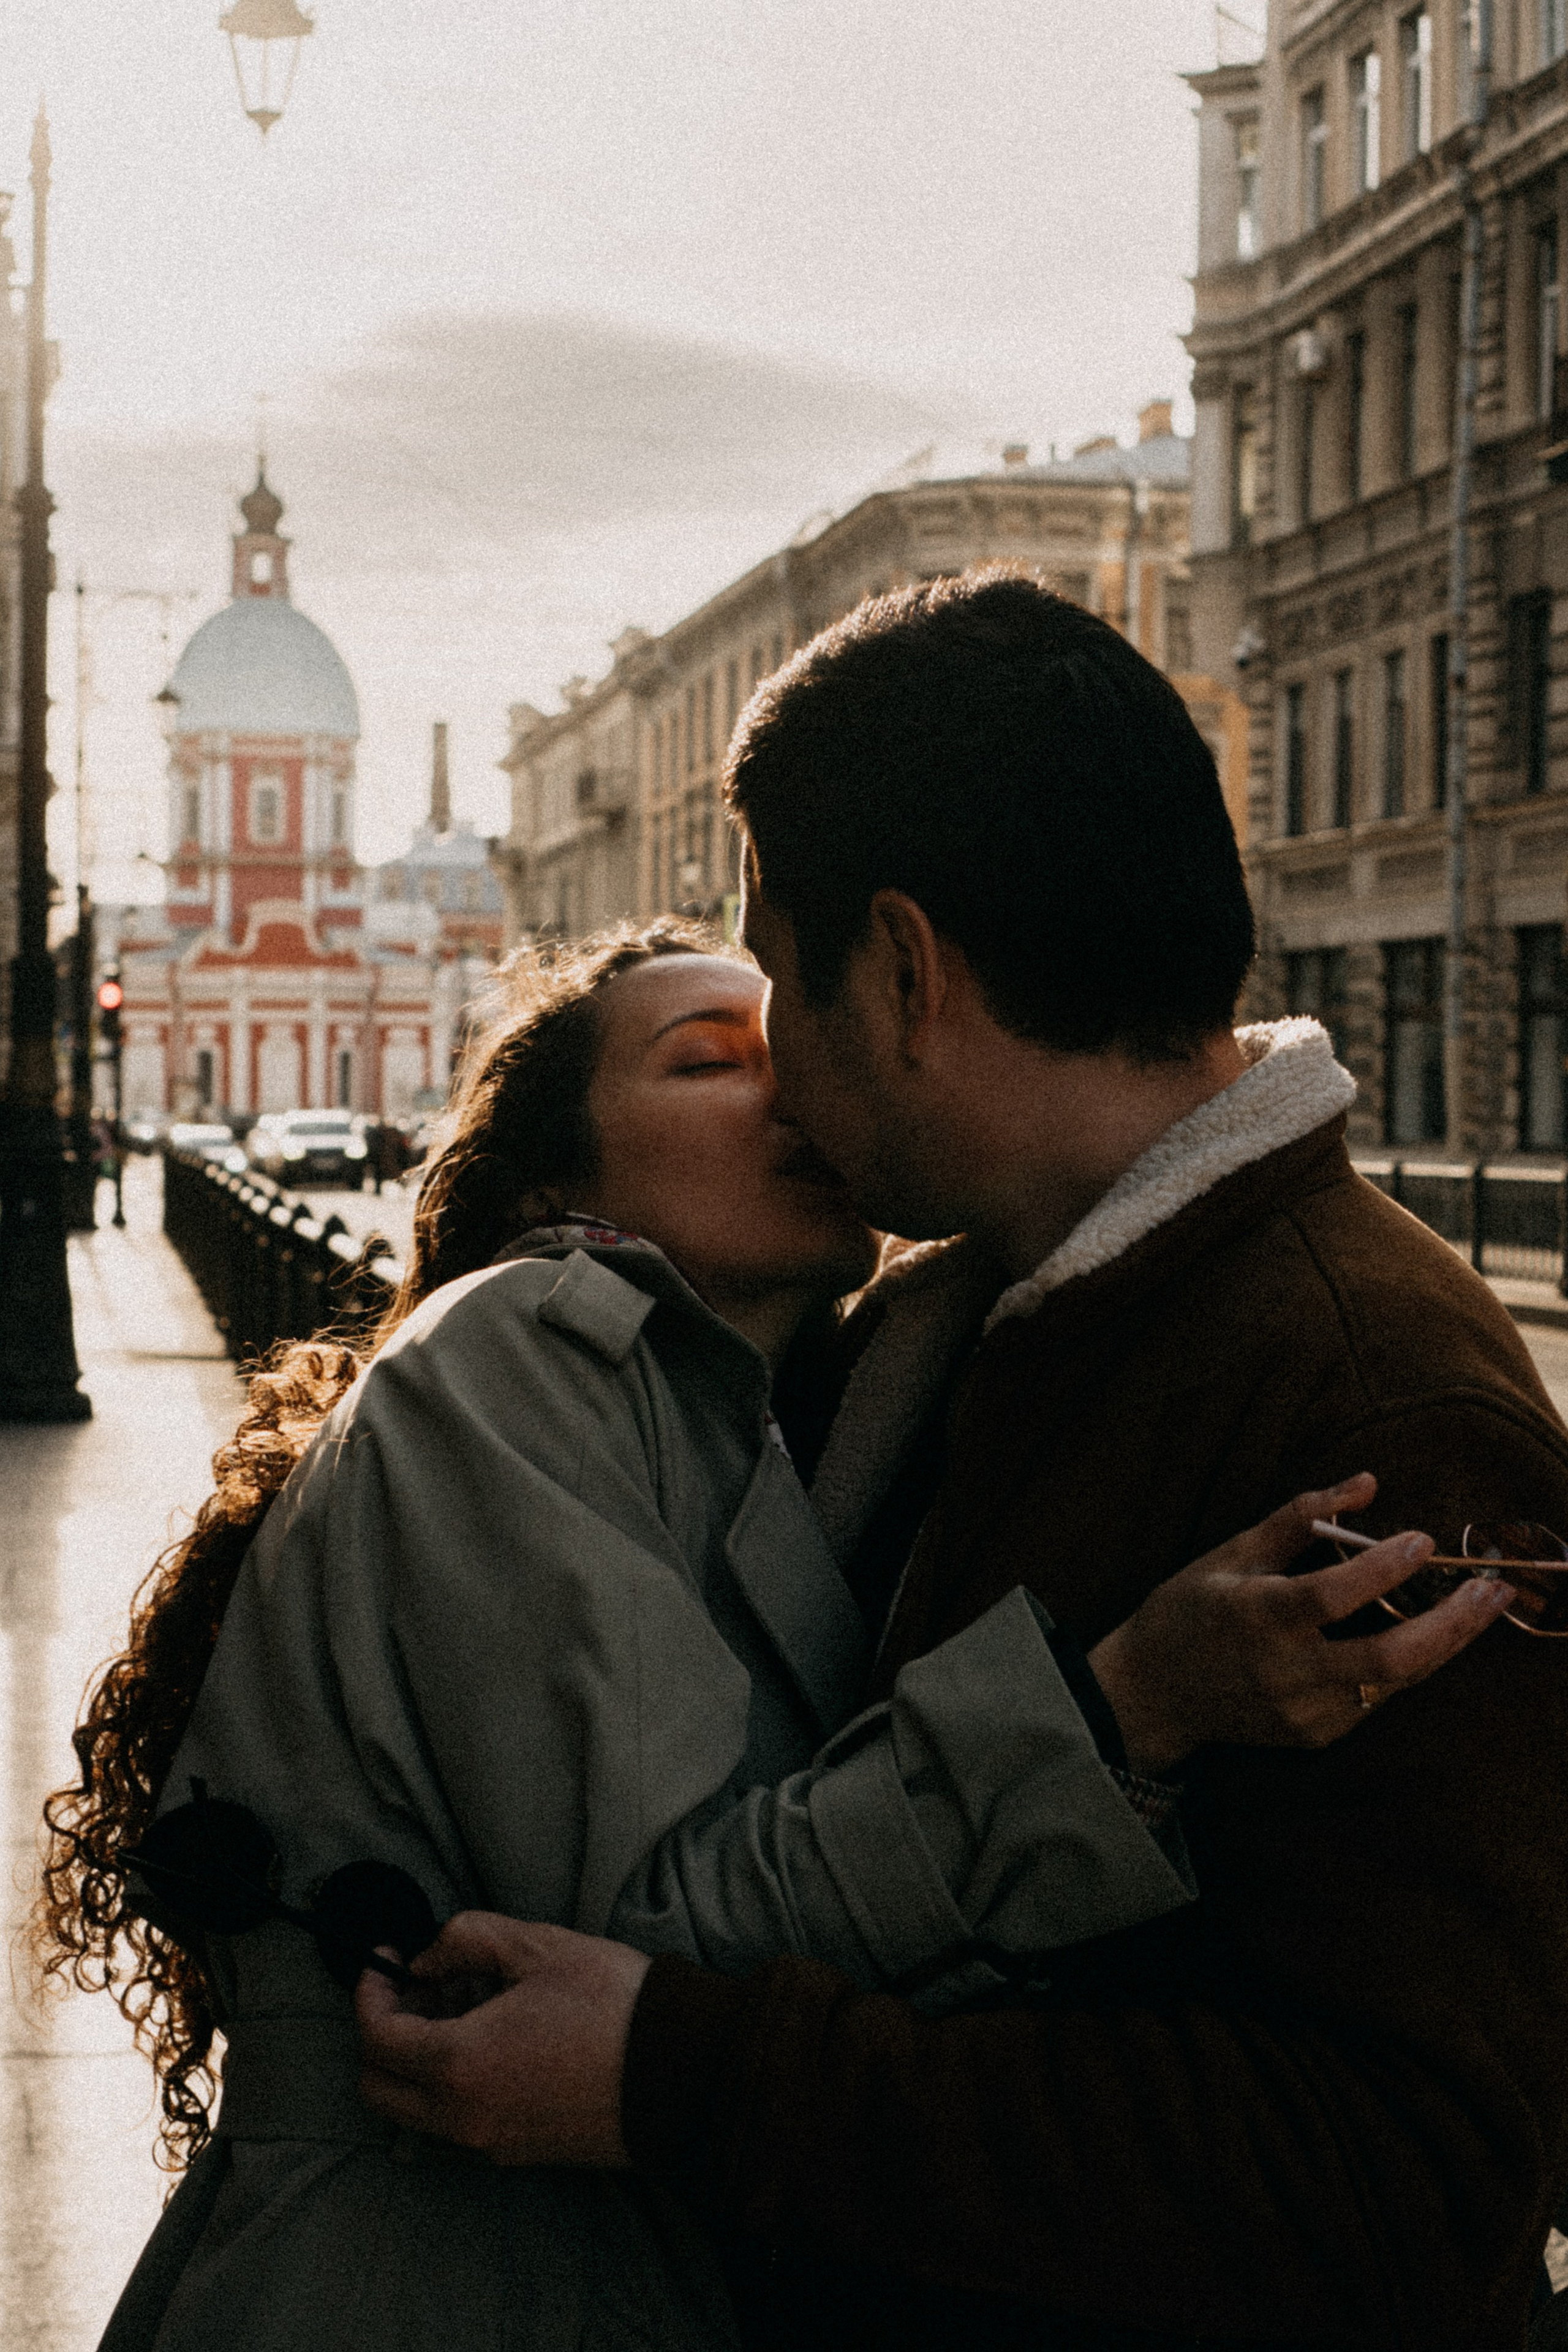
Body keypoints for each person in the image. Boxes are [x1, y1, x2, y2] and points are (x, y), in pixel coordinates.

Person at [356, 571, 1568, 2352]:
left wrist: (680, 2081)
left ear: (908, 973)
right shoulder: (954, 1329)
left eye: (776, 967)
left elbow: (1406, 2181)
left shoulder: (1381, 1405)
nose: (767, 1041)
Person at [41, 919, 1470, 2352]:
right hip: (437, 2285)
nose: (785, 1090)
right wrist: (1114, 1709)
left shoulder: (757, 1421)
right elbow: (649, 1941)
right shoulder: (523, 1335)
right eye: (706, 1063)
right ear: (555, 1179)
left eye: (790, 1050)